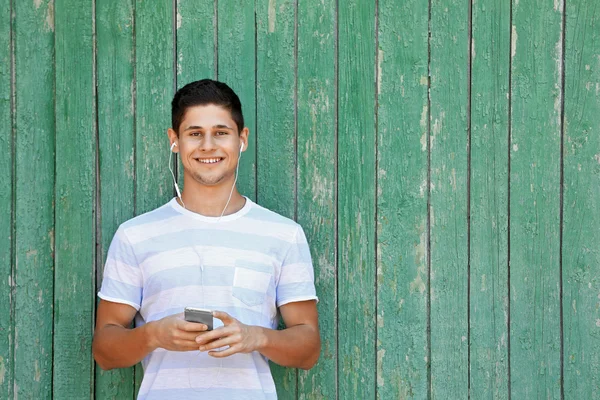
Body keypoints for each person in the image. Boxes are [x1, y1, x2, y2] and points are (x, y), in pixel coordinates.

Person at [92, 79, 320, 400]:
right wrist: (153, 334)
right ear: (175, 141)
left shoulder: (283, 234)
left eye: (221, 133)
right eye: (195, 133)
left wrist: (255, 337)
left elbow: (308, 349)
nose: (208, 145)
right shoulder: (135, 235)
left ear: (242, 139)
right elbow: (104, 351)